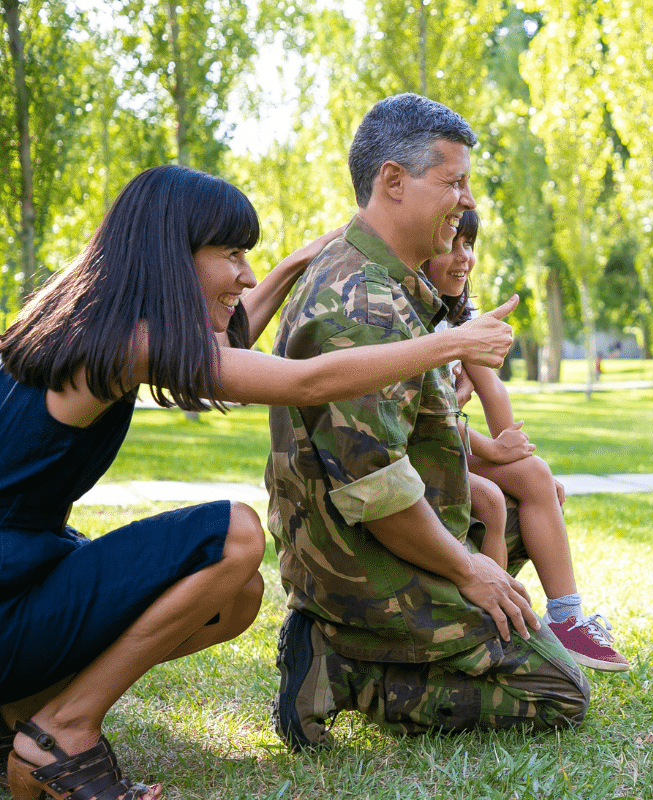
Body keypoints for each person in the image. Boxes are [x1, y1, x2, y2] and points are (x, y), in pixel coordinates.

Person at [0, 164, 516, 800]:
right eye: (232, 253)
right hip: (9, 597)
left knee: (238, 597)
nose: (245, 274)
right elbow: (304, 381)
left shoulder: (74, 318)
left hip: (20, 572)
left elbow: (233, 331)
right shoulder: (133, 343)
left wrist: (303, 258)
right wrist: (451, 343)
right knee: (235, 537)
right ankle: (59, 735)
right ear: (172, 251)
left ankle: (14, 712)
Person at [265, 93, 590, 753]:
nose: (466, 202)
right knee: (558, 693)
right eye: (453, 182)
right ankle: (344, 664)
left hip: (393, 543)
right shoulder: (363, 305)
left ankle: (399, 644)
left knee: (529, 517)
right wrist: (472, 571)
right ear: (392, 181)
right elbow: (377, 494)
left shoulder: (389, 285)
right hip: (364, 569)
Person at [422, 208, 629, 672]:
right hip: (423, 448)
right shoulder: (410, 315)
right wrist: (495, 452)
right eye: (453, 243)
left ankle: (562, 618)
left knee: (538, 481)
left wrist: (510, 444)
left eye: (469, 245)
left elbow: (490, 387)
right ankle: (509, 625)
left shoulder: (459, 315)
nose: (464, 258)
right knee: (498, 499)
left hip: (449, 443)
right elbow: (425, 414)